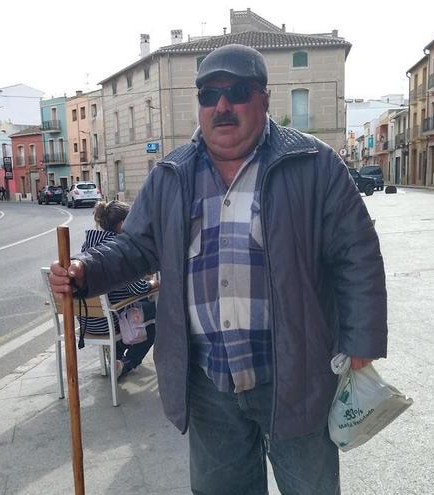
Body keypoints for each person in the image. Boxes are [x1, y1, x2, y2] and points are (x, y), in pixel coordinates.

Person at [50, 44, 387, 494]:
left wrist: (361, 341)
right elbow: (134, 246)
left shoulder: (313, 163)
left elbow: (356, 253)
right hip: (208, 381)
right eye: (210, 94)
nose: (222, 106)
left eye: (238, 91)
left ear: (264, 99)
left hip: (295, 374)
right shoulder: (172, 174)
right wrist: (83, 270)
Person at [78, 200, 157, 378]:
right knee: (158, 318)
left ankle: (116, 353)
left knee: (143, 306)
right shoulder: (116, 249)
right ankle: (124, 364)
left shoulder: (88, 246)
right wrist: (153, 284)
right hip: (110, 322)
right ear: (122, 224)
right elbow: (137, 289)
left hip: (87, 322)